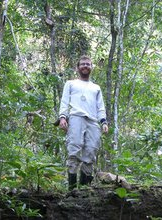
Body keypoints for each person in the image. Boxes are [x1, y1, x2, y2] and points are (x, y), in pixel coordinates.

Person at [58, 55, 108, 190]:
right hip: (76, 118)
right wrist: (63, 117)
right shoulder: (71, 83)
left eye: (88, 64)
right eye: (83, 64)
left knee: (91, 152)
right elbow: (64, 102)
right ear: (77, 67)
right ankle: (72, 189)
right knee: (74, 150)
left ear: (91, 67)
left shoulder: (96, 87)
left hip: (92, 121)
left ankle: (85, 190)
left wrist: (104, 122)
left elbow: (100, 107)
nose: (85, 66)